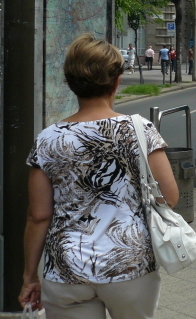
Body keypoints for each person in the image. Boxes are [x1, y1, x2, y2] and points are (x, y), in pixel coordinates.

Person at [19, 34, 178, 318]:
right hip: (130, 265)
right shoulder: (140, 130)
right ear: (116, 82)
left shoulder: (48, 139)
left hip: (66, 269)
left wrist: (30, 276)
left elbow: (38, 216)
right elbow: (170, 197)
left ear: (71, 83)